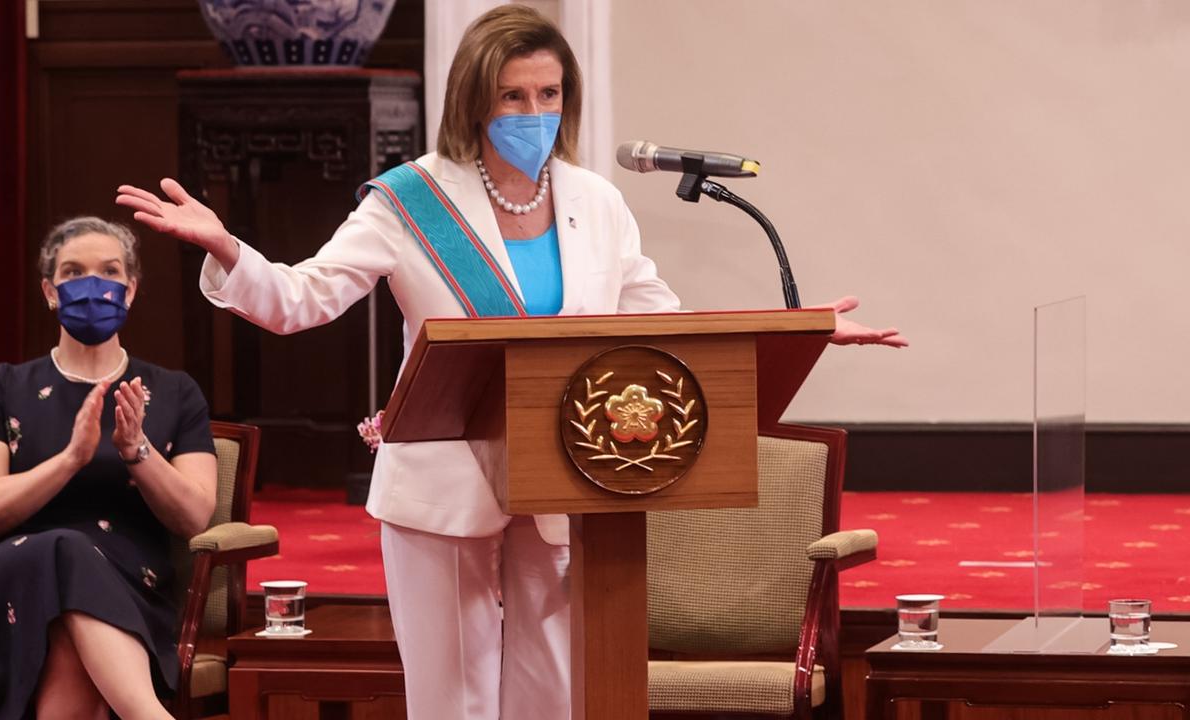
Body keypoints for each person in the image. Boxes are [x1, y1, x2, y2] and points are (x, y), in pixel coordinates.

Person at [116, 7, 904, 719]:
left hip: (571, 471)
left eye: (550, 95)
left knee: (553, 688)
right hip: (445, 471)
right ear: (475, 101)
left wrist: (793, 332)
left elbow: (657, 319)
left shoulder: (595, 201)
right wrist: (227, 249)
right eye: (514, 97)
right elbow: (301, 300)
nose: (535, 114)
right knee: (453, 693)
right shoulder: (408, 199)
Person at [0, 217, 218, 720]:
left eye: (109, 271)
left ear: (130, 290)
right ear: (50, 291)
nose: (93, 285)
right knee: (64, 549)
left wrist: (138, 449)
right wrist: (71, 459)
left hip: (130, 584)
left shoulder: (175, 392)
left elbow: (195, 516)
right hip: (9, 582)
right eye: (73, 272)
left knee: (72, 635)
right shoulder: (3, 388)